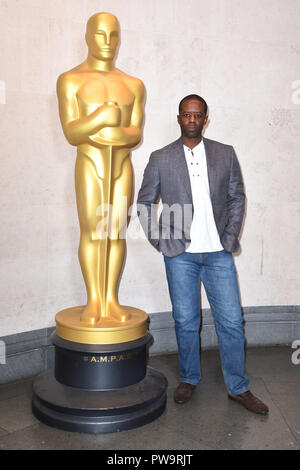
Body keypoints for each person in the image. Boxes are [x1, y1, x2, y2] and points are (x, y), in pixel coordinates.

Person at [137, 94, 269, 414]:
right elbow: (144, 203)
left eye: (198, 116)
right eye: (187, 115)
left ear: (206, 119)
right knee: (185, 320)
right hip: (180, 255)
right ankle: (189, 378)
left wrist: (228, 237)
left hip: (218, 255)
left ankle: (238, 387)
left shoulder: (225, 154)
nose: (192, 120)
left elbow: (237, 197)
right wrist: (161, 242)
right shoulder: (160, 157)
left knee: (232, 322)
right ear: (179, 118)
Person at [57, 12, 145, 325]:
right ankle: (94, 300)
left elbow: (135, 133)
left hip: (121, 165)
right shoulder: (70, 80)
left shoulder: (133, 84)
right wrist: (100, 119)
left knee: (115, 232)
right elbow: (71, 132)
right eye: (100, 34)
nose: (108, 42)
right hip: (91, 163)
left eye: (114, 35)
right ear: (87, 36)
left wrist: (107, 131)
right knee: (93, 232)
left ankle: (111, 300)